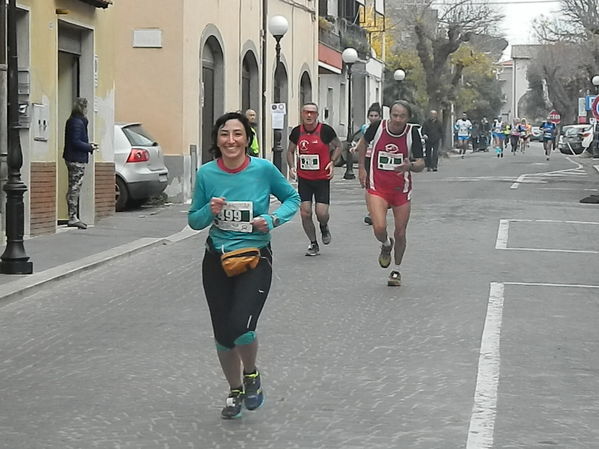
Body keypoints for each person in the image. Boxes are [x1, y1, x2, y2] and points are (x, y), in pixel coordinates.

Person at [188, 112, 300, 419]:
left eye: (238, 134)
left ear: (247, 139)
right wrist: (209, 212)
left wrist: (272, 219)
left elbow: (292, 198)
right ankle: (235, 390)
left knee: (241, 325)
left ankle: (251, 374)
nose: (231, 140)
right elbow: (193, 221)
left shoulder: (263, 169)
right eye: (225, 134)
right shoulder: (207, 174)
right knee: (223, 333)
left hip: (254, 258)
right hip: (216, 260)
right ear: (217, 139)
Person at [356, 100, 425, 286]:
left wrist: (409, 165)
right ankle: (386, 244)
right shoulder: (377, 127)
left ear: (408, 118)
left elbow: (421, 163)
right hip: (377, 186)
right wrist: (362, 168)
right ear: (390, 115)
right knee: (379, 227)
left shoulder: (412, 133)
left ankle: (396, 270)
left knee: (401, 233)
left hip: (400, 190)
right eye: (394, 115)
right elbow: (362, 145)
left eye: (402, 116)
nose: (397, 119)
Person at [286, 102, 342, 256]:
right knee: (305, 212)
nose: (309, 115)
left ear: (317, 115)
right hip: (304, 178)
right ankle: (313, 243)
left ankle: (324, 226)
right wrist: (291, 166)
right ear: (302, 114)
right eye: (306, 112)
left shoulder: (325, 130)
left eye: (312, 112)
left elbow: (338, 146)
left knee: (321, 213)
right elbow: (290, 151)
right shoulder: (297, 132)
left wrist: (332, 162)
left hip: (322, 178)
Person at [62, 97, 98, 230]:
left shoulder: (75, 121)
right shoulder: (77, 122)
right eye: (86, 107)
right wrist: (89, 147)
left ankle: (73, 216)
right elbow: (75, 142)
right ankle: (73, 217)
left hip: (74, 157)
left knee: (74, 187)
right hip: (76, 159)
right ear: (83, 108)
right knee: (75, 188)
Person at [353, 102, 382, 225]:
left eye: (376, 115)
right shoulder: (365, 128)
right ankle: (371, 212)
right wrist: (356, 148)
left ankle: (380, 208)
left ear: (380, 116)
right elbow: (362, 140)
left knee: (379, 184)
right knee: (368, 185)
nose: (373, 118)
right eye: (371, 115)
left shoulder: (382, 127)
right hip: (367, 158)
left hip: (378, 158)